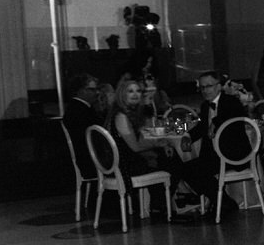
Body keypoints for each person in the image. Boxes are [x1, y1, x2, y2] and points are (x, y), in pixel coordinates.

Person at [104, 76, 186, 211]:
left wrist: (163, 145)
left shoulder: (131, 113)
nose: (135, 94)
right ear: (122, 94)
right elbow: (135, 147)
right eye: (130, 91)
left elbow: (145, 135)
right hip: (125, 164)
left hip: (130, 159)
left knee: (170, 159)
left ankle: (162, 204)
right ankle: (162, 204)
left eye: (138, 91)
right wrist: (158, 145)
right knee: (172, 162)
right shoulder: (121, 116)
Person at [180, 71, 246, 212]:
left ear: (219, 86)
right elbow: (202, 128)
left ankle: (220, 202)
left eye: (208, 86)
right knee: (186, 168)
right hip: (214, 156)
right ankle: (223, 201)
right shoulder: (205, 106)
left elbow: (233, 114)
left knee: (197, 170)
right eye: (202, 87)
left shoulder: (231, 101)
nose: (205, 90)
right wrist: (188, 136)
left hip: (232, 154)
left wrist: (215, 122)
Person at [63, 73, 100, 180]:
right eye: (92, 89)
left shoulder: (77, 108)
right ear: (81, 90)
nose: (97, 93)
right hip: (91, 161)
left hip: (87, 159)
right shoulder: (81, 111)